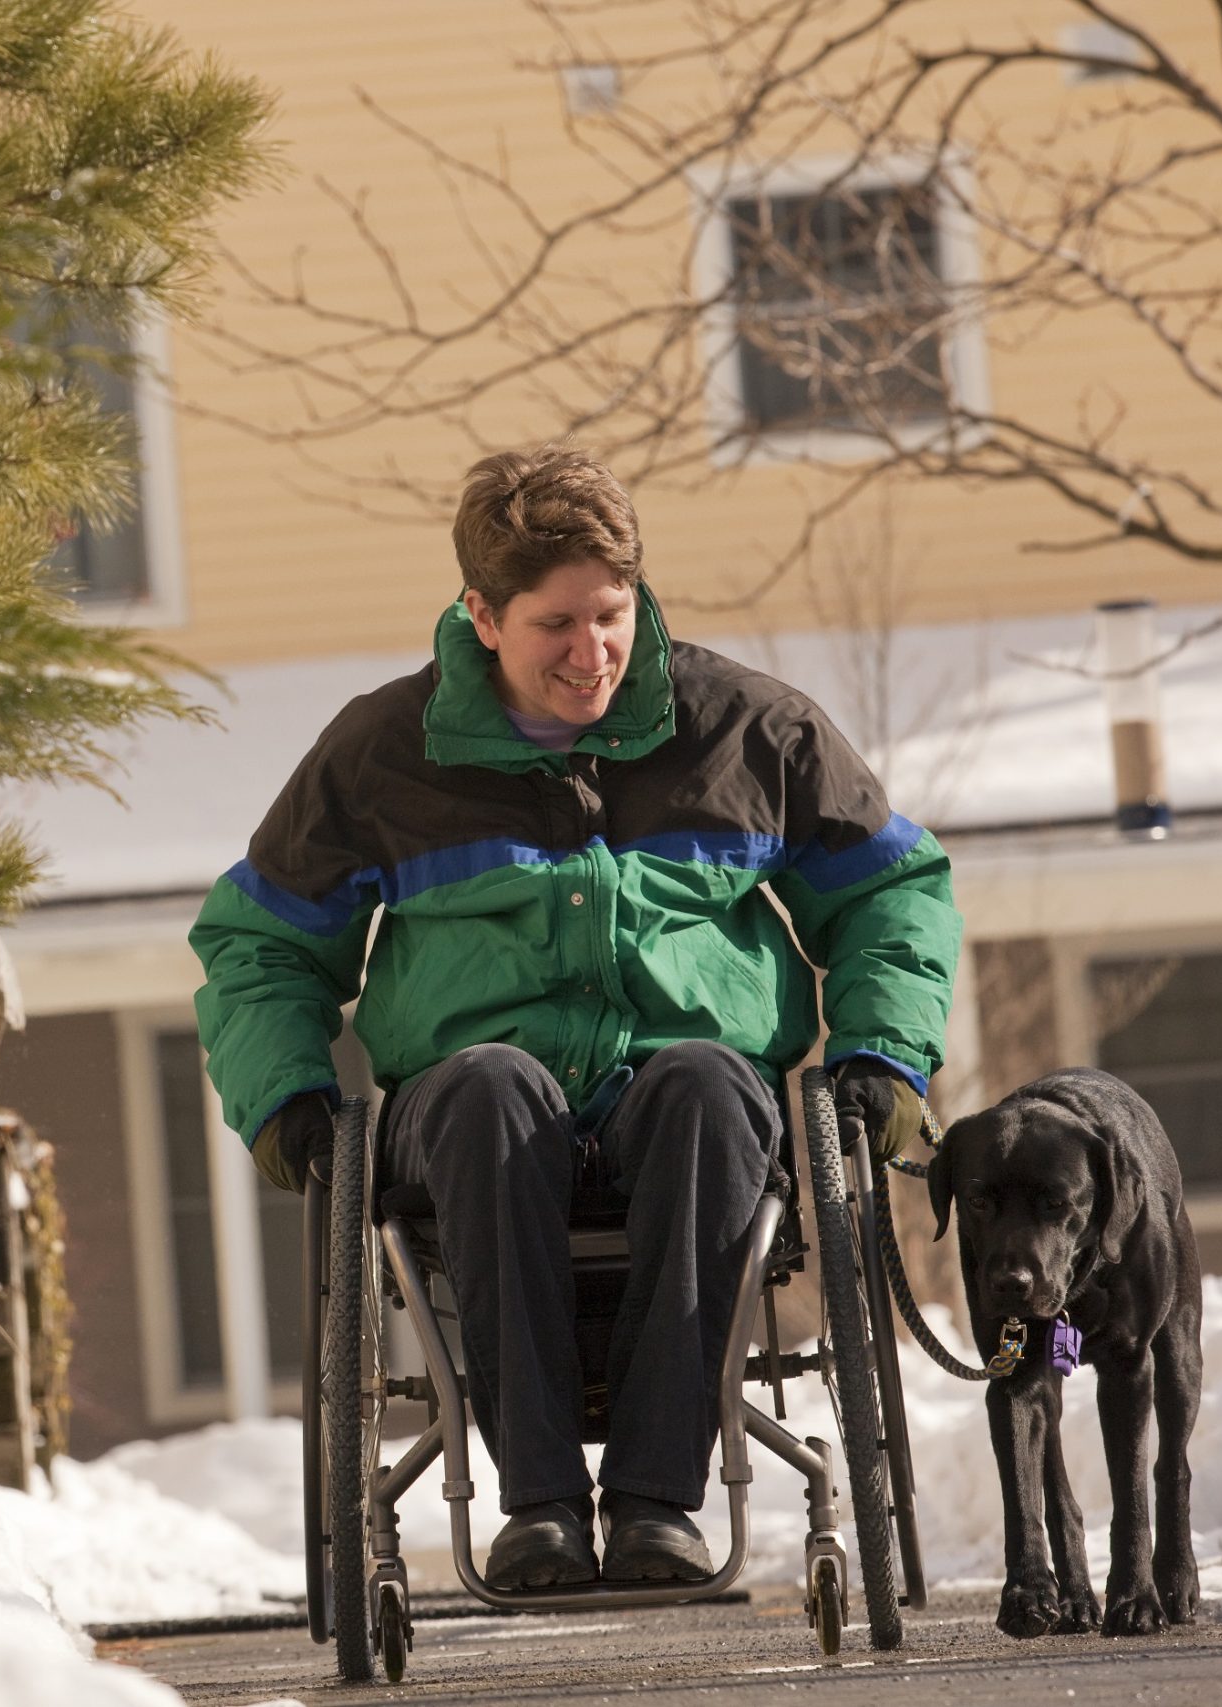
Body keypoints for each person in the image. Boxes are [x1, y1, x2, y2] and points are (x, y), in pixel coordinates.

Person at [189, 445, 959, 1587]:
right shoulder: (380, 754)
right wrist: (287, 1097)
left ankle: (656, 1503)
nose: (591, 652)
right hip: (467, 1117)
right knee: (491, 1086)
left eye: (611, 615)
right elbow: (256, 944)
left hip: (691, 1102)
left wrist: (882, 1052)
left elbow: (890, 893)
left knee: (706, 1084)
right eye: (555, 624)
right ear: (481, 615)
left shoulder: (746, 729)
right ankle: (538, 1504)